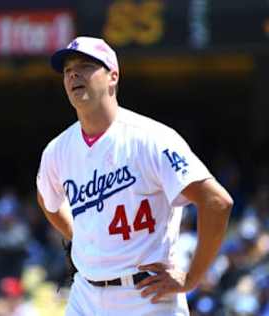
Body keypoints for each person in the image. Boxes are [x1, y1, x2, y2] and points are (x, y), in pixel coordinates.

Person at [36, 36, 233, 315]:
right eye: (67, 70)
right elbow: (47, 199)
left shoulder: (150, 138)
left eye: (85, 66)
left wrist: (191, 278)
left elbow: (217, 202)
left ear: (112, 76)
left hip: (147, 295)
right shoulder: (57, 150)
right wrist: (77, 235)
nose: (73, 74)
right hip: (86, 297)